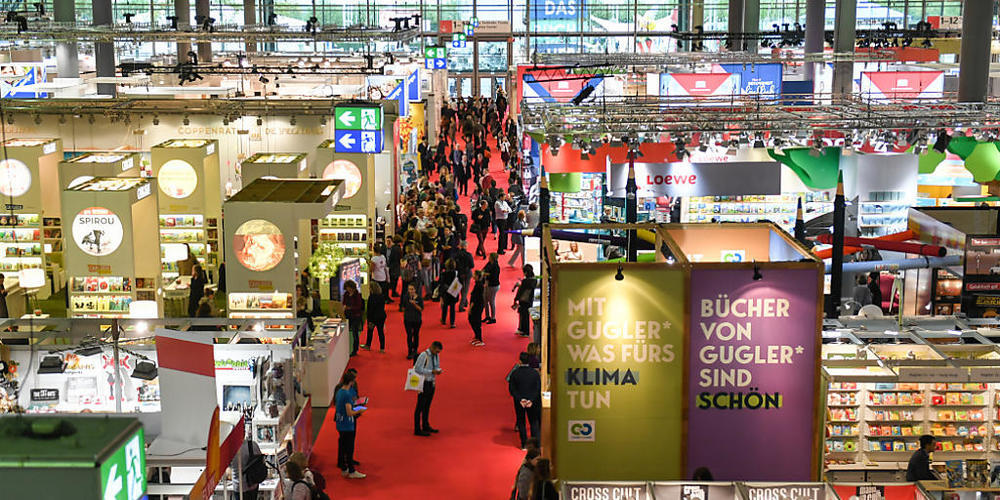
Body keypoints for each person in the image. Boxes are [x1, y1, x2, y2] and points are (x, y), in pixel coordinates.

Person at [335, 371, 367, 479]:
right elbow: (349, 412)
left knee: (343, 446)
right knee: (349, 448)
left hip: (340, 423)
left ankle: (344, 469)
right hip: (347, 425)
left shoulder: (339, 391)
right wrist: (359, 410)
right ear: (351, 382)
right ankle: (351, 471)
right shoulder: (347, 394)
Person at [508, 352, 541, 449]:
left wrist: (520, 399)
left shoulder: (515, 373)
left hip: (519, 402)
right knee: (534, 422)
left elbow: (512, 389)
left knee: (521, 421)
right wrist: (531, 400)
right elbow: (537, 388)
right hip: (533, 402)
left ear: (520, 361)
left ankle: (524, 444)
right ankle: (536, 445)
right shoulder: (535, 373)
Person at [413, 341, 443, 436]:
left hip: (431, 383)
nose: (437, 353)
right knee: (420, 406)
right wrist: (431, 371)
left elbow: (436, 366)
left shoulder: (436, 355)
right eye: (436, 351)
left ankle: (425, 425)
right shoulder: (423, 355)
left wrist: (438, 370)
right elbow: (417, 369)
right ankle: (417, 429)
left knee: (427, 406)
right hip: (423, 383)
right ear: (432, 348)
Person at [229, 431, 264, 499]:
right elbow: (261, 461)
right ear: (244, 433)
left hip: (238, 486)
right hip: (253, 482)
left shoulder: (230, 449)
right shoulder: (253, 445)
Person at [513, 265, 537, 337]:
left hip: (523, 300)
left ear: (526, 272)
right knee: (525, 315)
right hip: (529, 300)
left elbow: (520, 291)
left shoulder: (525, 281)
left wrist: (515, 299)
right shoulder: (534, 279)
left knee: (523, 315)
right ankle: (522, 330)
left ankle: (525, 331)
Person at [342, 280, 364, 357]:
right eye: (347, 288)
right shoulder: (346, 294)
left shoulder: (357, 295)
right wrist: (344, 307)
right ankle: (345, 348)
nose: (348, 289)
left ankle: (355, 350)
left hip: (356, 316)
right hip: (347, 316)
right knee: (345, 333)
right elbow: (344, 303)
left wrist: (348, 308)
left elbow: (358, 307)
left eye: (350, 288)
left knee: (355, 333)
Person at [402, 283, 424, 359]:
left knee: (416, 334)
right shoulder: (405, 297)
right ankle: (409, 351)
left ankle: (415, 349)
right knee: (409, 335)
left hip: (417, 320)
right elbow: (403, 307)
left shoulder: (419, 298)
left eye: (412, 289)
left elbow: (421, 309)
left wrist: (415, 305)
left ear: (415, 290)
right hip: (407, 319)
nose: (410, 291)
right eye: (409, 289)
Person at [364, 282, 387, 352]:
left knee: (370, 332)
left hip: (373, 317)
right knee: (381, 332)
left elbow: (370, 309)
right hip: (381, 317)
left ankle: (368, 345)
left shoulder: (371, 297)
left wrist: (369, 319)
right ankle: (382, 348)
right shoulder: (382, 296)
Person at [455, 240, 475, 312]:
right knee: (465, 290)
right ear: (466, 246)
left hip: (459, 273)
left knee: (461, 288)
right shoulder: (468, 255)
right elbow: (472, 265)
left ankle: (465, 302)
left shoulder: (457, 254)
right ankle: (461, 306)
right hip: (467, 273)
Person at [468, 270, 487, 347]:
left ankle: (480, 338)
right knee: (474, 320)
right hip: (478, 305)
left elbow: (475, 298)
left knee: (475, 321)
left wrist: (470, 307)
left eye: (474, 275)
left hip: (477, 306)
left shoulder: (478, 286)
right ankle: (477, 336)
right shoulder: (478, 284)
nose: (473, 275)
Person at [439, 259, 459, 328]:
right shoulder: (456, 273)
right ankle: (452, 323)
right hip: (454, 291)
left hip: (446, 292)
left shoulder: (443, 274)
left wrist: (441, 295)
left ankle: (443, 320)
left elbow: (441, 284)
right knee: (452, 308)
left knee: (445, 306)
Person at [484, 253, 501, 324]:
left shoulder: (496, 266)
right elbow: (484, 269)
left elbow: (494, 276)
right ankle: (487, 316)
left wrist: (486, 274)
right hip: (488, 284)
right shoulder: (489, 264)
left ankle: (493, 317)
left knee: (491, 301)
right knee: (485, 300)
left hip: (493, 285)